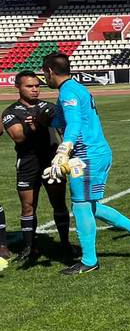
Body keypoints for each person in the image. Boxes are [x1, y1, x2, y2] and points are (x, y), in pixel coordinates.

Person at [41, 52, 130, 275]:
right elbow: (61, 122)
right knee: (89, 205)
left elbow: (73, 124)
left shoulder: (68, 91)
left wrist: (65, 149)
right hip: (91, 153)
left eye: (45, 74)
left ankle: (90, 260)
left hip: (87, 156)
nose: (44, 78)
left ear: (50, 71)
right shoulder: (74, 88)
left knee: (80, 205)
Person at [1, 71, 71, 265]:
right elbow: (18, 137)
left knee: (58, 203)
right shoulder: (11, 112)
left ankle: (65, 243)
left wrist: (66, 151)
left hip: (51, 161)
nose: (34, 89)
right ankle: (30, 247)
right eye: (29, 86)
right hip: (28, 163)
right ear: (18, 87)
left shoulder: (49, 108)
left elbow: (64, 131)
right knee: (27, 206)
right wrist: (34, 126)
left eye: (37, 86)